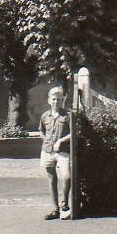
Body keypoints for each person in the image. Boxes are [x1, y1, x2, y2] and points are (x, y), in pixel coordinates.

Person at [39, 86, 71, 220]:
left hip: (63, 151)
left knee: (67, 177)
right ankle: (55, 209)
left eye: (59, 99)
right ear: (49, 101)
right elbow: (41, 130)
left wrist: (61, 141)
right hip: (47, 150)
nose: (56, 101)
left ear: (62, 100)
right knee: (52, 179)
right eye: (53, 99)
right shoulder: (45, 115)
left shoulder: (68, 115)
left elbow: (73, 133)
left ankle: (64, 203)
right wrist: (45, 139)